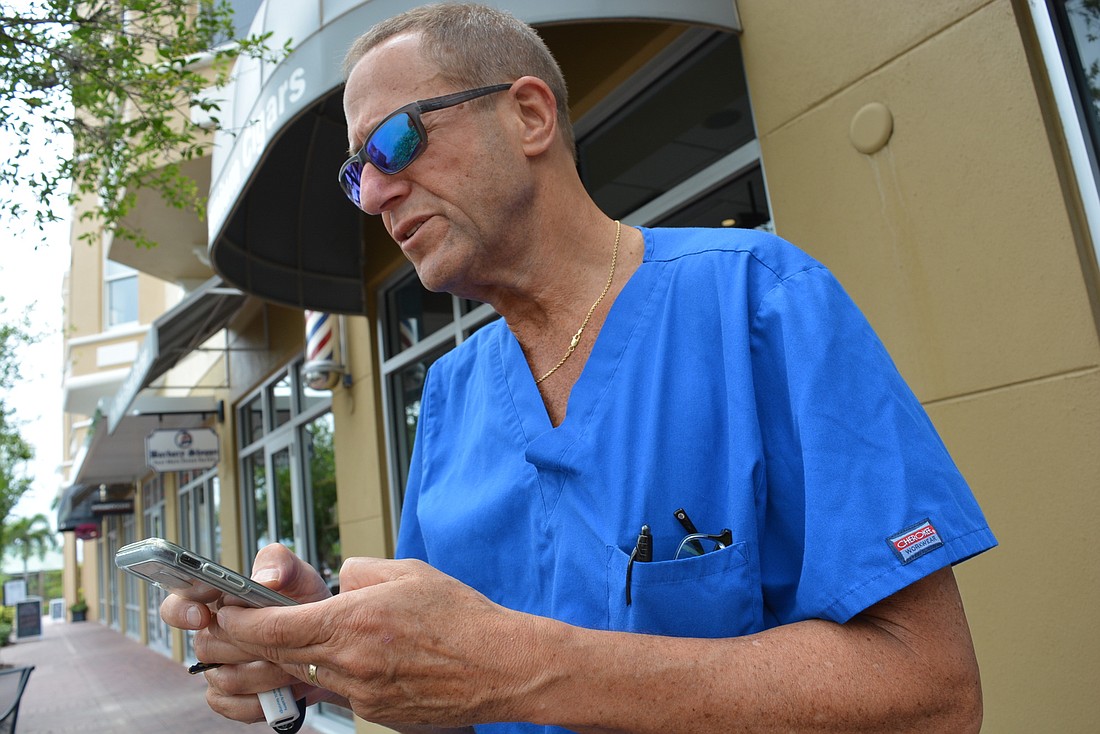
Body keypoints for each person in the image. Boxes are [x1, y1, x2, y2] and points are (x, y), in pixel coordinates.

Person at [162, 4, 997, 732]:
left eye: (395, 140)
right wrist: (324, 649)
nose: (376, 194)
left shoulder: (761, 299)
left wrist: (517, 665)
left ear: (529, 115)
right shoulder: (449, 398)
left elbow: (930, 694)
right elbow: (447, 706)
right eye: (358, 172)